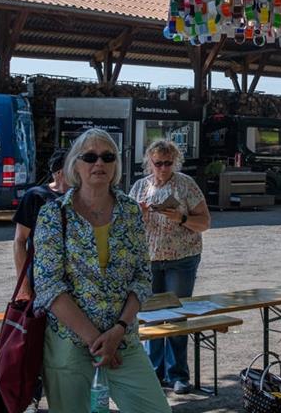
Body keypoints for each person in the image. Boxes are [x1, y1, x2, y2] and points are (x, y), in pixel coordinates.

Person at [33, 129, 169, 413]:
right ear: (75, 165)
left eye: (108, 157)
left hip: (122, 342)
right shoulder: (53, 214)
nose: (99, 163)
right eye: (90, 157)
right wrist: (96, 341)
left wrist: (117, 332)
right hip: (69, 344)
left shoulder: (130, 211)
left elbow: (142, 277)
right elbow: (48, 286)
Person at [129, 140, 211, 395]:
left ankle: (177, 374)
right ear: (149, 162)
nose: (163, 168)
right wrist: (138, 215)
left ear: (175, 162)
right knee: (151, 315)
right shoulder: (140, 187)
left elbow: (205, 222)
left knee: (176, 314)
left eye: (168, 163)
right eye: (158, 163)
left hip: (181, 258)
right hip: (149, 259)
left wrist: (182, 218)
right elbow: (125, 226)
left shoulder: (186, 185)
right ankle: (154, 372)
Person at [13, 149, 69, 300]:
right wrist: (23, 285)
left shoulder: (83, 197)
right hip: (41, 281)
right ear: (59, 172)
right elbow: (20, 241)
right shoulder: (35, 196)